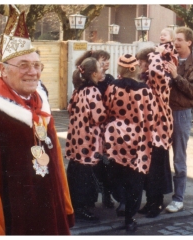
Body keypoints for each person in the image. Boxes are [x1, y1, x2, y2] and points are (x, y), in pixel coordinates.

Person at [0, 5, 74, 235]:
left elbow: (56, 166)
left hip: (49, 217)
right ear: (2, 69)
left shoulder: (40, 105)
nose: (33, 72)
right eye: (23, 65)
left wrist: (65, 209)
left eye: (36, 65)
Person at [103, 54, 158, 232]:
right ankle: (129, 218)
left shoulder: (112, 87)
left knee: (117, 173)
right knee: (135, 179)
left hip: (116, 138)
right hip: (138, 140)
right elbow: (152, 116)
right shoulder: (144, 90)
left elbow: (106, 109)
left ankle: (121, 201)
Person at [136, 28, 177, 218]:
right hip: (149, 129)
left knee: (157, 167)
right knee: (150, 167)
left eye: (142, 62)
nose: (141, 66)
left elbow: (155, 70)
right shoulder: (148, 80)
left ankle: (157, 203)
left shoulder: (161, 78)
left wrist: (154, 54)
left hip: (160, 128)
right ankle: (152, 201)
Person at [65, 57, 107, 222]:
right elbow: (99, 116)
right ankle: (81, 207)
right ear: (94, 74)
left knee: (75, 170)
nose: (102, 70)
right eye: (99, 68)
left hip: (76, 137)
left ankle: (75, 204)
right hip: (88, 139)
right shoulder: (93, 91)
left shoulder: (79, 89)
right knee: (85, 174)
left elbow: (70, 108)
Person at [75, 50, 115, 209]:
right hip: (96, 128)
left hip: (104, 128)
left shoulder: (109, 79)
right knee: (94, 164)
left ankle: (106, 194)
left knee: (106, 164)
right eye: (102, 60)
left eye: (107, 60)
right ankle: (91, 198)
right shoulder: (88, 85)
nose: (106, 63)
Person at [165, 26, 193, 213]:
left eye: (179, 40)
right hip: (163, 112)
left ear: (189, 42)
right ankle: (157, 196)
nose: (175, 43)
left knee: (179, 157)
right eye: (174, 39)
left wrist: (176, 76)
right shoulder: (169, 58)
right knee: (159, 156)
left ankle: (178, 198)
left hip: (181, 113)